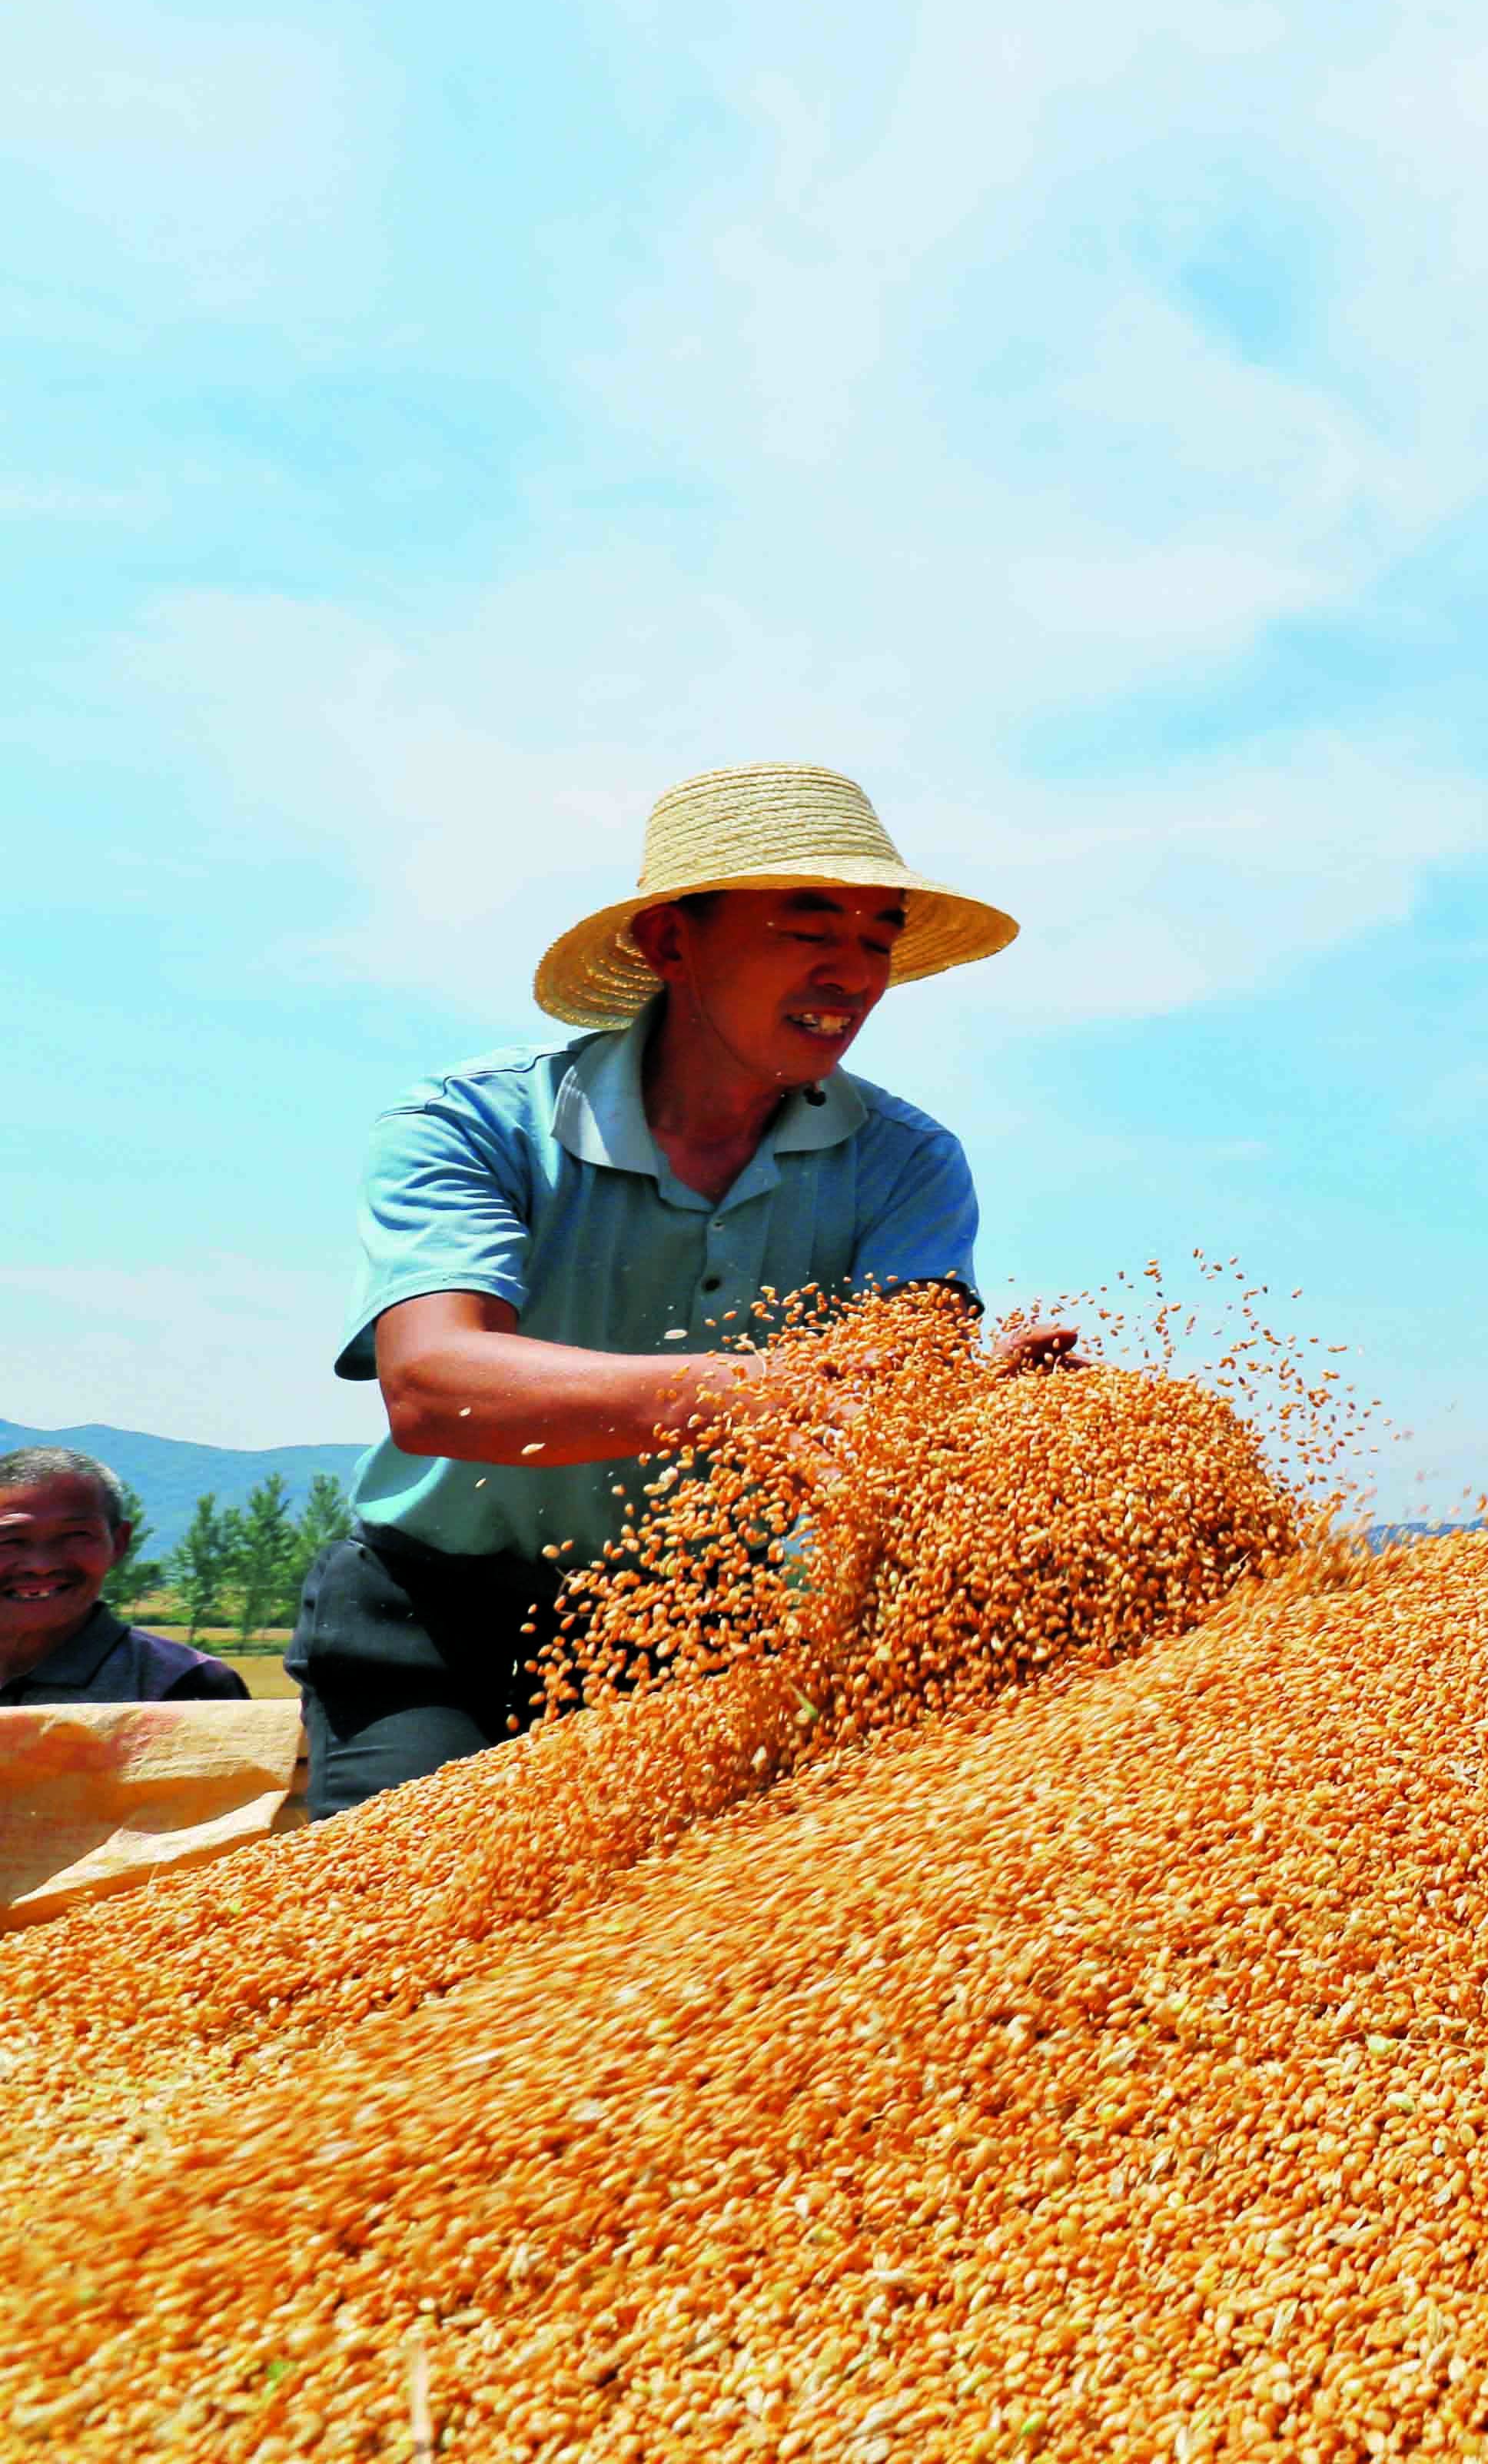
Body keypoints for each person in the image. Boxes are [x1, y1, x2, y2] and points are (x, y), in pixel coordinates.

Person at [293, 761, 1071, 1819]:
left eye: (877, 939)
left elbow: (887, 1392)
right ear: (672, 943)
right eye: (808, 931)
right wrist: (738, 1392)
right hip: (431, 1621)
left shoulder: (906, 1163)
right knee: (410, 1916)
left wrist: (982, 1411)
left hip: (705, 1637)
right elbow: (434, 1384)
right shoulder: (473, 1124)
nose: (853, 974)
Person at [0, 1445, 247, 1705]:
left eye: (75, 1536)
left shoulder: (184, 1684)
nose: (41, 1565)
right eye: (10, 1540)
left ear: (119, 1543)